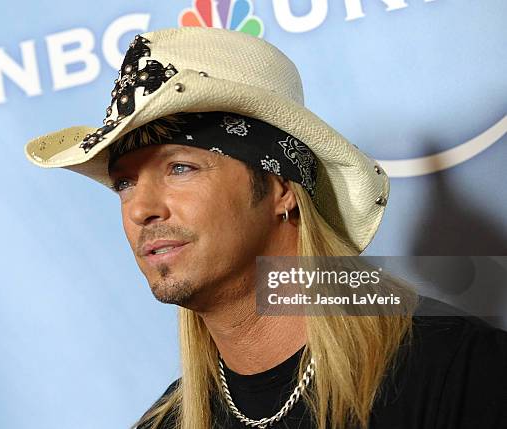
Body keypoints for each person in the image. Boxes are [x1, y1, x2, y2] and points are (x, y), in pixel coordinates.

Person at [25, 27, 507, 429]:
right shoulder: (165, 422)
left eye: (180, 168)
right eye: (125, 182)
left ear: (281, 188)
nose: (139, 211)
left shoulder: (457, 368)